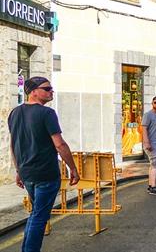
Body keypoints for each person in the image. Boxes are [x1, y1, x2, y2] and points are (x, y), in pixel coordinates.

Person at [8, 77, 79, 252]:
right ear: (33, 91)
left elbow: (14, 145)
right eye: (47, 89)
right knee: (39, 217)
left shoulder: (14, 113)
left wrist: (18, 170)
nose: (51, 92)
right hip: (46, 173)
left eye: (51, 89)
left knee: (36, 214)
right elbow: (60, 144)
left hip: (27, 174)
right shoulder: (47, 114)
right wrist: (73, 169)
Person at [142, 96, 156, 196]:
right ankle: (153, 188)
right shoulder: (148, 115)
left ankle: (151, 185)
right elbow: (143, 129)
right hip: (152, 144)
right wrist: (147, 143)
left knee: (155, 165)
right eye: (155, 102)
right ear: (152, 103)